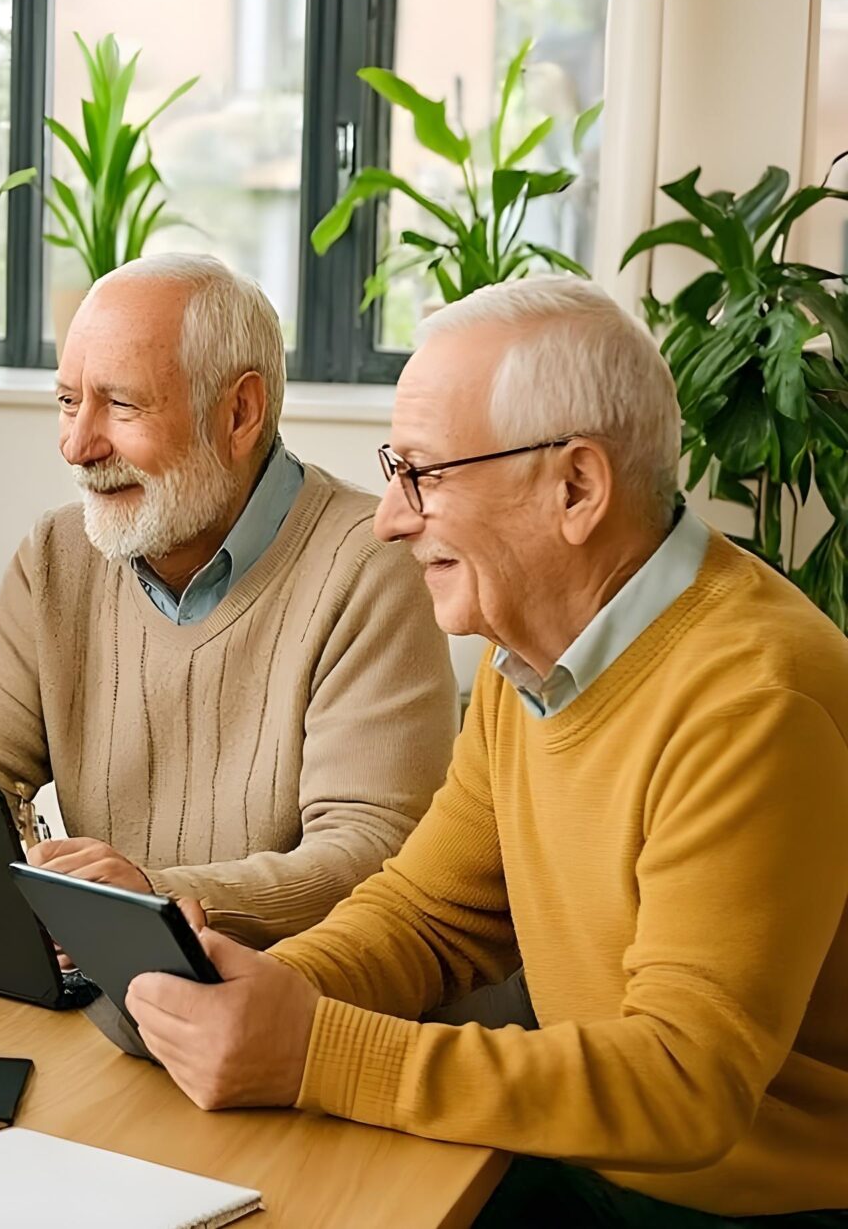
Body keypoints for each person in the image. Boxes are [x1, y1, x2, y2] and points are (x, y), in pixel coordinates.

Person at [123, 277, 848, 1226]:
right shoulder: (534, 657)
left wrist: (312, 1050)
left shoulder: (754, 699)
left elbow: (684, 1082)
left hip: (743, 1207)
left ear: (576, 488)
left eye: (421, 472)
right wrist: (264, 992)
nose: (388, 516)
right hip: (601, 1166)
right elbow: (431, 913)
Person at [0, 254, 455, 947]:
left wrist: (159, 900)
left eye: (121, 404)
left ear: (239, 413)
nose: (77, 445)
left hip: (286, 1005)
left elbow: (375, 854)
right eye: (68, 401)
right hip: (110, 986)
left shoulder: (372, 566)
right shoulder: (57, 554)